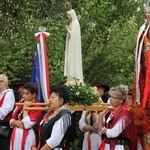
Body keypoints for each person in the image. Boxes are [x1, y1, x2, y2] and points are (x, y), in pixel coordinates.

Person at [98, 85, 143, 150]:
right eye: (110, 96)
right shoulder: (111, 112)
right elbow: (100, 132)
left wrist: (103, 130)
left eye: (114, 97)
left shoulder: (126, 113)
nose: (110, 99)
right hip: (107, 146)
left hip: (119, 147)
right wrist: (100, 116)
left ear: (121, 100)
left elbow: (113, 133)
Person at [35, 85, 72, 150]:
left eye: (53, 97)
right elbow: (40, 129)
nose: (50, 100)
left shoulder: (64, 114)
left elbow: (54, 140)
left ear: (61, 100)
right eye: (50, 97)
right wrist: (34, 145)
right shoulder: (50, 113)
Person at [10, 82, 43, 150]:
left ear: (34, 95)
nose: (23, 96)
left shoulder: (38, 108)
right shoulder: (21, 103)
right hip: (16, 134)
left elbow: (27, 125)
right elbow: (11, 120)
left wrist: (26, 110)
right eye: (23, 93)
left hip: (28, 136)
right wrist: (16, 122)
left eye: (26, 94)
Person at [64, 2, 83, 84]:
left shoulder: (75, 24)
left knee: (74, 61)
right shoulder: (71, 24)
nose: (67, 17)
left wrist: (68, 30)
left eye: (68, 15)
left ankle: (75, 77)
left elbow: (75, 36)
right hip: (71, 47)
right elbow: (70, 36)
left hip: (74, 48)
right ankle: (71, 77)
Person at [0, 74, 15, 150]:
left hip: (4, 126)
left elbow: (5, 111)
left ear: (5, 82)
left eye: (1, 81)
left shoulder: (9, 94)